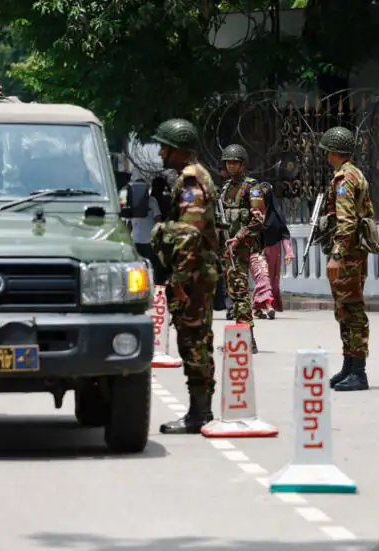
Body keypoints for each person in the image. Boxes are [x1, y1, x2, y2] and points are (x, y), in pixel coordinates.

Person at [149, 118, 220, 434]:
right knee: (200, 339)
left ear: (178, 150)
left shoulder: (191, 181)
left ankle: (197, 414)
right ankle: (201, 410)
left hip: (191, 275)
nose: (161, 153)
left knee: (192, 341)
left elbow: (189, 235)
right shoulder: (197, 176)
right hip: (198, 272)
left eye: (165, 147)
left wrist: (178, 282)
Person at [319, 126, 375, 392]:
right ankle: (349, 366)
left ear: (333, 152)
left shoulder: (345, 179)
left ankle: (359, 372)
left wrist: (337, 255)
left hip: (349, 255)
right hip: (353, 254)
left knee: (351, 311)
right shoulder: (354, 174)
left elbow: (347, 220)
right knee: (344, 309)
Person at [219, 144, 265, 353]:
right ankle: (240, 337)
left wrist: (239, 237)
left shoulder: (251, 187)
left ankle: (248, 338)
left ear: (243, 164)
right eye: (229, 162)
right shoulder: (226, 188)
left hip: (242, 248)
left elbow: (258, 219)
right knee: (233, 292)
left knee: (240, 292)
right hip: (227, 248)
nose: (232, 166)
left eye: (235, 162)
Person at [250, 181, 295, 317]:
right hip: (257, 251)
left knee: (272, 282)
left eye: (264, 197)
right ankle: (268, 305)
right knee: (263, 278)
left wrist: (289, 252)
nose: (261, 200)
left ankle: (257, 307)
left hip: (274, 251)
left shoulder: (276, 215)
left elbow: (284, 233)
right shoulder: (250, 214)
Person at [127, 178, 165, 284]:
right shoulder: (131, 202)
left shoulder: (152, 201)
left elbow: (158, 219)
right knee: (137, 266)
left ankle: (155, 286)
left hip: (149, 240)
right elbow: (129, 223)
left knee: (152, 266)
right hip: (135, 239)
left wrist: (158, 236)